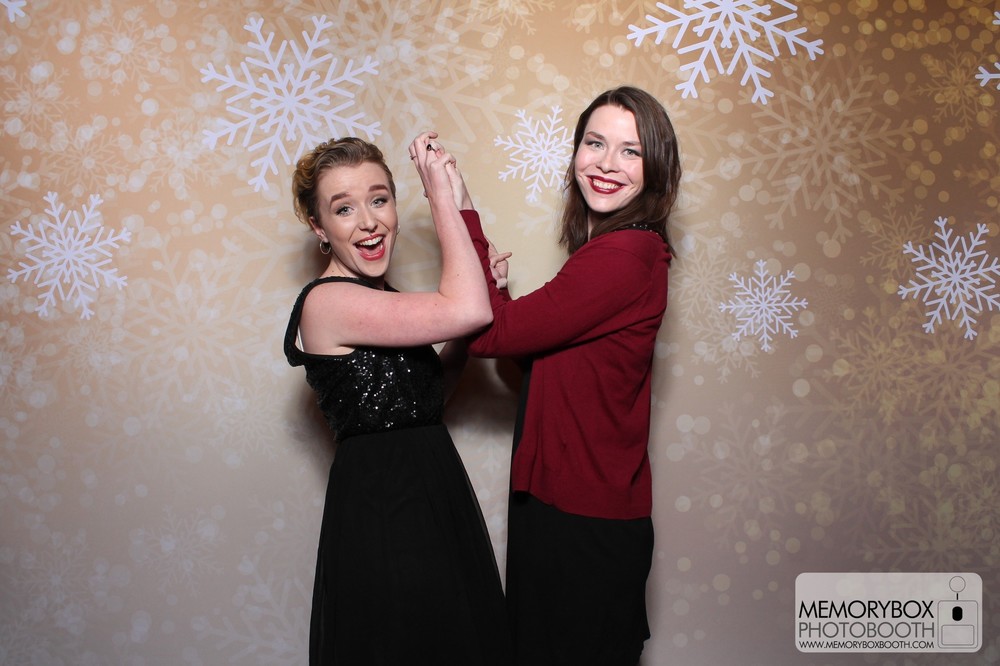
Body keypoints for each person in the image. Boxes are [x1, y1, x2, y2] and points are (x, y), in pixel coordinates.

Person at [458, 86, 682, 665]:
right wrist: (499, 295)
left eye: (631, 151)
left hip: (584, 521)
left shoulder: (623, 256)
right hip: (566, 505)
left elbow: (484, 336)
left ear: (656, 169)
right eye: (595, 143)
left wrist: (461, 212)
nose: (606, 163)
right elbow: (537, 360)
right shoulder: (608, 253)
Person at [283, 134, 513, 665]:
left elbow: (427, 398)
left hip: (433, 496)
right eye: (344, 208)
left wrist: (469, 317)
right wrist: (440, 194)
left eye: (379, 199)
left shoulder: (383, 302)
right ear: (319, 227)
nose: (368, 222)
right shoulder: (327, 303)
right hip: (384, 513)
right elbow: (468, 308)